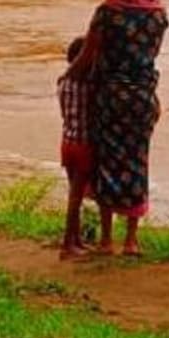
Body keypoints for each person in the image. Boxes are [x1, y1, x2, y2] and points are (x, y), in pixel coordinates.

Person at [68, 0, 168, 257]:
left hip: (109, 98)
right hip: (142, 99)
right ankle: (131, 240)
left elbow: (87, 56)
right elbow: (152, 55)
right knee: (138, 162)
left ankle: (106, 239)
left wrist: (69, 75)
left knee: (106, 162)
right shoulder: (159, 15)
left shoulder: (106, 12)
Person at [57, 36, 93, 259]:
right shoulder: (87, 85)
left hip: (67, 141)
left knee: (74, 192)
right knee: (76, 197)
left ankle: (76, 240)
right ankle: (68, 245)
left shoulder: (63, 82)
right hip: (83, 144)